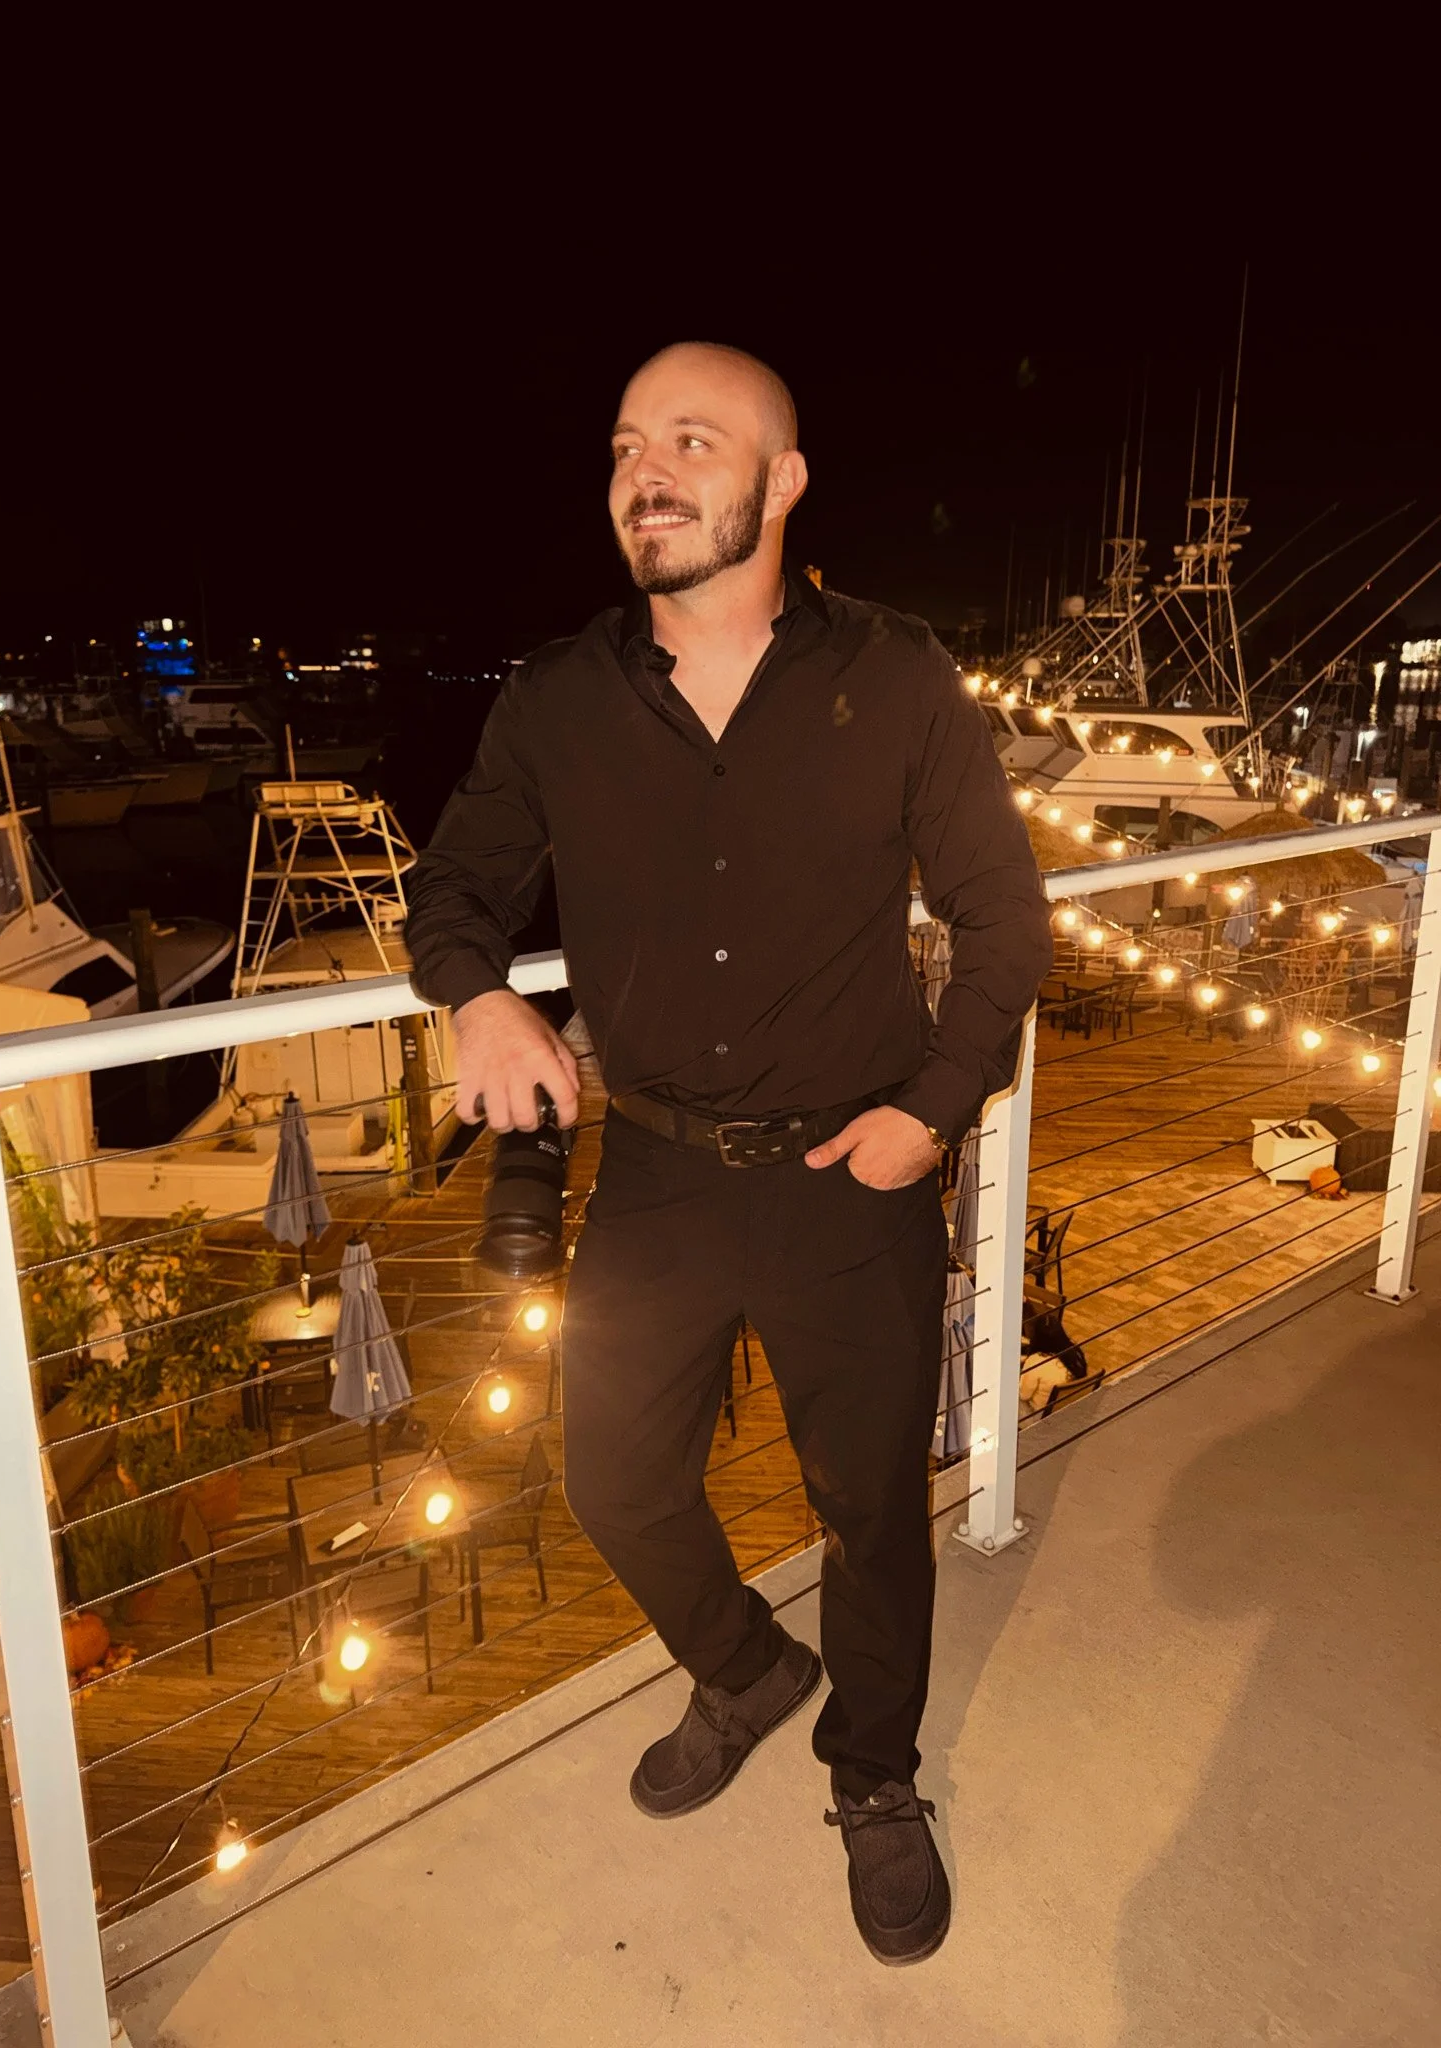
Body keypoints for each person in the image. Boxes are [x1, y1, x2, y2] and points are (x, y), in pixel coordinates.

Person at [403, 341, 1052, 1965]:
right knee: (614, 1481)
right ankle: (749, 1667)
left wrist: (937, 1107)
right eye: (630, 442)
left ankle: (877, 1774)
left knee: (871, 1511)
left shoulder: (897, 680)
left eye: (696, 440)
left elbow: (1004, 923)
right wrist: (482, 1002)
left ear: (785, 480)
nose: (651, 470)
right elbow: (453, 891)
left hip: (855, 1174)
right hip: (661, 1175)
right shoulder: (555, 699)